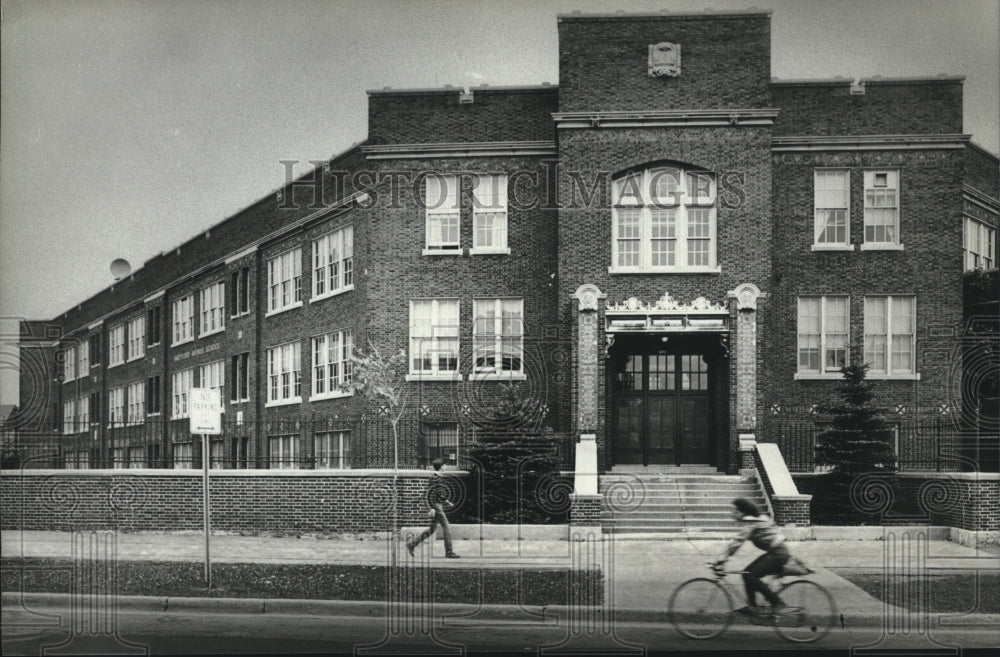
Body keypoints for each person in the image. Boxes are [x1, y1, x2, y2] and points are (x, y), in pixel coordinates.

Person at [713, 497, 792, 615]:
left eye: (735, 511)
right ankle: (752, 606)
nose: (733, 513)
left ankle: (778, 604)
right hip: (777, 552)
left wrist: (721, 559)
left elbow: (737, 542)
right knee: (747, 574)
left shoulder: (751, 522)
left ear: (742, 511)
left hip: (777, 554)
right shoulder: (757, 518)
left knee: (751, 576)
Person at [406, 458, 459, 558]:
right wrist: (432, 508)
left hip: (437, 504)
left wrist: (447, 501)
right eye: (445, 465)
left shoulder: (437, 477)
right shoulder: (436, 477)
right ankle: (449, 552)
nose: (446, 467)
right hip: (436, 506)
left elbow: (438, 493)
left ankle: (412, 544)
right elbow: (430, 493)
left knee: (432, 529)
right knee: (447, 528)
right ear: (442, 466)